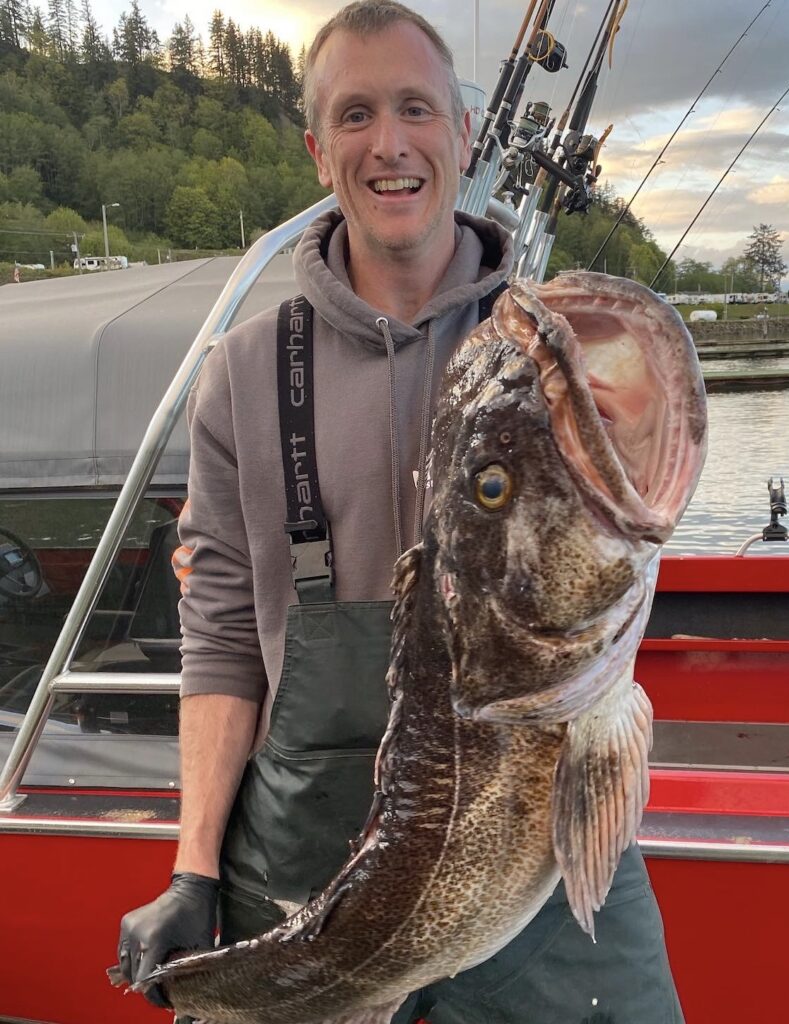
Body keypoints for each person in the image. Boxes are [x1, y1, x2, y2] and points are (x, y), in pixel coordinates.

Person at [115, 3, 685, 1022]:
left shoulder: (559, 358)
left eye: (416, 109)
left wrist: (624, 421)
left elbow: (636, 509)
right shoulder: (243, 375)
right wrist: (193, 868)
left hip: (540, 839)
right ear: (317, 148)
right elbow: (221, 636)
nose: (389, 143)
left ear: (462, 135)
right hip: (304, 861)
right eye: (355, 114)